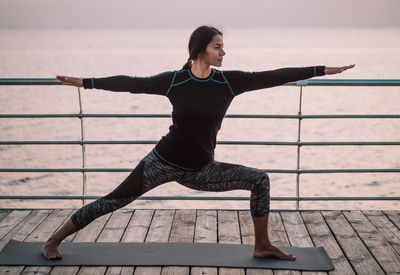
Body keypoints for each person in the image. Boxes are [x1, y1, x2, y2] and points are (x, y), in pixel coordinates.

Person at [42, 25, 355, 261]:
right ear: (200, 49)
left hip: (202, 170)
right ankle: (52, 241)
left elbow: (274, 75)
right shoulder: (175, 80)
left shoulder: (228, 81)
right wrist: (87, 83)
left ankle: (262, 246)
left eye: (223, 47)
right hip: (161, 163)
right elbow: (130, 83)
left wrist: (321, 70)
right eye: (218, 46)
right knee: (113, 200)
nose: (224, 52)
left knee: (259, 179)